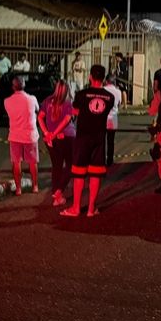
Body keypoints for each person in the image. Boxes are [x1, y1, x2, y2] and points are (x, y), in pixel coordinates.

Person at [61, 65, 115, 218]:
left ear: (90, 76)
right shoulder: (109, 97)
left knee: (79, 173)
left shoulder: (81, 95)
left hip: (83, 137)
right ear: (103, 78)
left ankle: (76, 208)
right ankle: (91, 208)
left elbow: (75, 113)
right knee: (95, 173)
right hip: (99, 138)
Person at [38, 80, 74, 207]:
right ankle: (59, 190)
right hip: (65, 137)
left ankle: (56, 194)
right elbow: (67, 120)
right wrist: (54, 133)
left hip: (50, 139)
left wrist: (47, 133)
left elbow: (40, 117)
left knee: (56, 165)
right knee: (71, 165)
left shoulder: (47, 101)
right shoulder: (68, 103)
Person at [4, 75, 40, 195]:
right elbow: (37, 110)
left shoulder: (7, 101)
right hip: (30, 134)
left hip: (15, 135)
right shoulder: (32, 99)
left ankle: (18, 189)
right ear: (24, 85)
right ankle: (35, 186)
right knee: (33, 162)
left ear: (13, 87)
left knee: (16, 162)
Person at [102, 75, 122, 167]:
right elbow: (119, 104)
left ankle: (101, 159)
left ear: (106, 81)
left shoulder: (102, 90)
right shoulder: (118, 92)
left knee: (101, 141)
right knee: (111, 141)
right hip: (113, 120)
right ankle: (110, 160)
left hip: (102, 118)